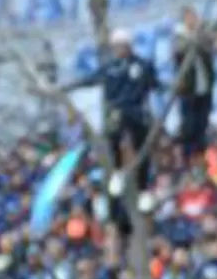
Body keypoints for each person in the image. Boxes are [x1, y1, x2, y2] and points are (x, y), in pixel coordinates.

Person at [66, 30, 160, 195]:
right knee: (114, 137)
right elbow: (89, 80)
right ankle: (117, 172)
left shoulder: (143, 65)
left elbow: (154, 84)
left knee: (141, 148)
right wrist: (68, 87)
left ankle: (143, 187)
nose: (119, 49)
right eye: (116, 46)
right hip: (116, 110)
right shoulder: (109, 68)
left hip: (137, 110)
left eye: (122, 45)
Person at [172, 8, 217, 164]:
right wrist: (195, 38)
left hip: (204, 87)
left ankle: (202, 156)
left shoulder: (203, 34)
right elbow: (180, 50)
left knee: (202, 123)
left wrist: (205, 36)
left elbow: (211, 47)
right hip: (188, 90)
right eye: (190, 18)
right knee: (189, 125)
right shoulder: (179, 36)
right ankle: (188, 158)